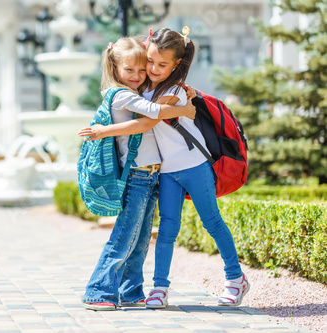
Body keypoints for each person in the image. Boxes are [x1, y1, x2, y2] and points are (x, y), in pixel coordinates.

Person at [79, 27, 250, 308]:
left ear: (176, 65)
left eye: (162, 64)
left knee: (212, 222)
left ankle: (235, 279)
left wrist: (104, 130)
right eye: (150, 62)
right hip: (165, 171)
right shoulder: (142, 88)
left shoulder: (172, 92)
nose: (153, 69)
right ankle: (159, 288)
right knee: (166, 229)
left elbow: (147, 122)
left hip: (194, 165)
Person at [81, 36, 196, 311]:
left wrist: (182, 92)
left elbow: (154, 107)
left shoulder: (137, 93)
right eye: (129, 70)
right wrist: (186, 109)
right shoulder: (121, 95)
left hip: (150, 174)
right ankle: (98, 291)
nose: (137, 75)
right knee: (125, 236)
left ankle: (130, 291)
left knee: (141, 240)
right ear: (115, 69)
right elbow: (152, 115)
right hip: (136, 176)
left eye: (141, 70)